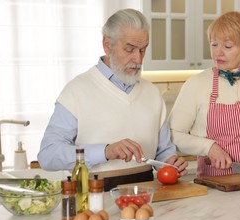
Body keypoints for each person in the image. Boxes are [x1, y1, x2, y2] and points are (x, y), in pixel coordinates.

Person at [38, 9, 188, 190]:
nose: (138, 59)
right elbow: (48, 155)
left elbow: (163, 152)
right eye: (130, 49)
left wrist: (171, 163)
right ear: (107, 45)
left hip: (148, 195)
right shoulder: (76, 91)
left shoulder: (152, 93)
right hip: (93, 195)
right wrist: (105, 151)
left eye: (143, 49)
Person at [168, 11, 240, 177]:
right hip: (213, 188)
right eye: (214, 44)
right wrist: (208, 147)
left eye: (227, 46)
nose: (218, 53)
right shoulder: (196, 84)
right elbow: (173, 134)